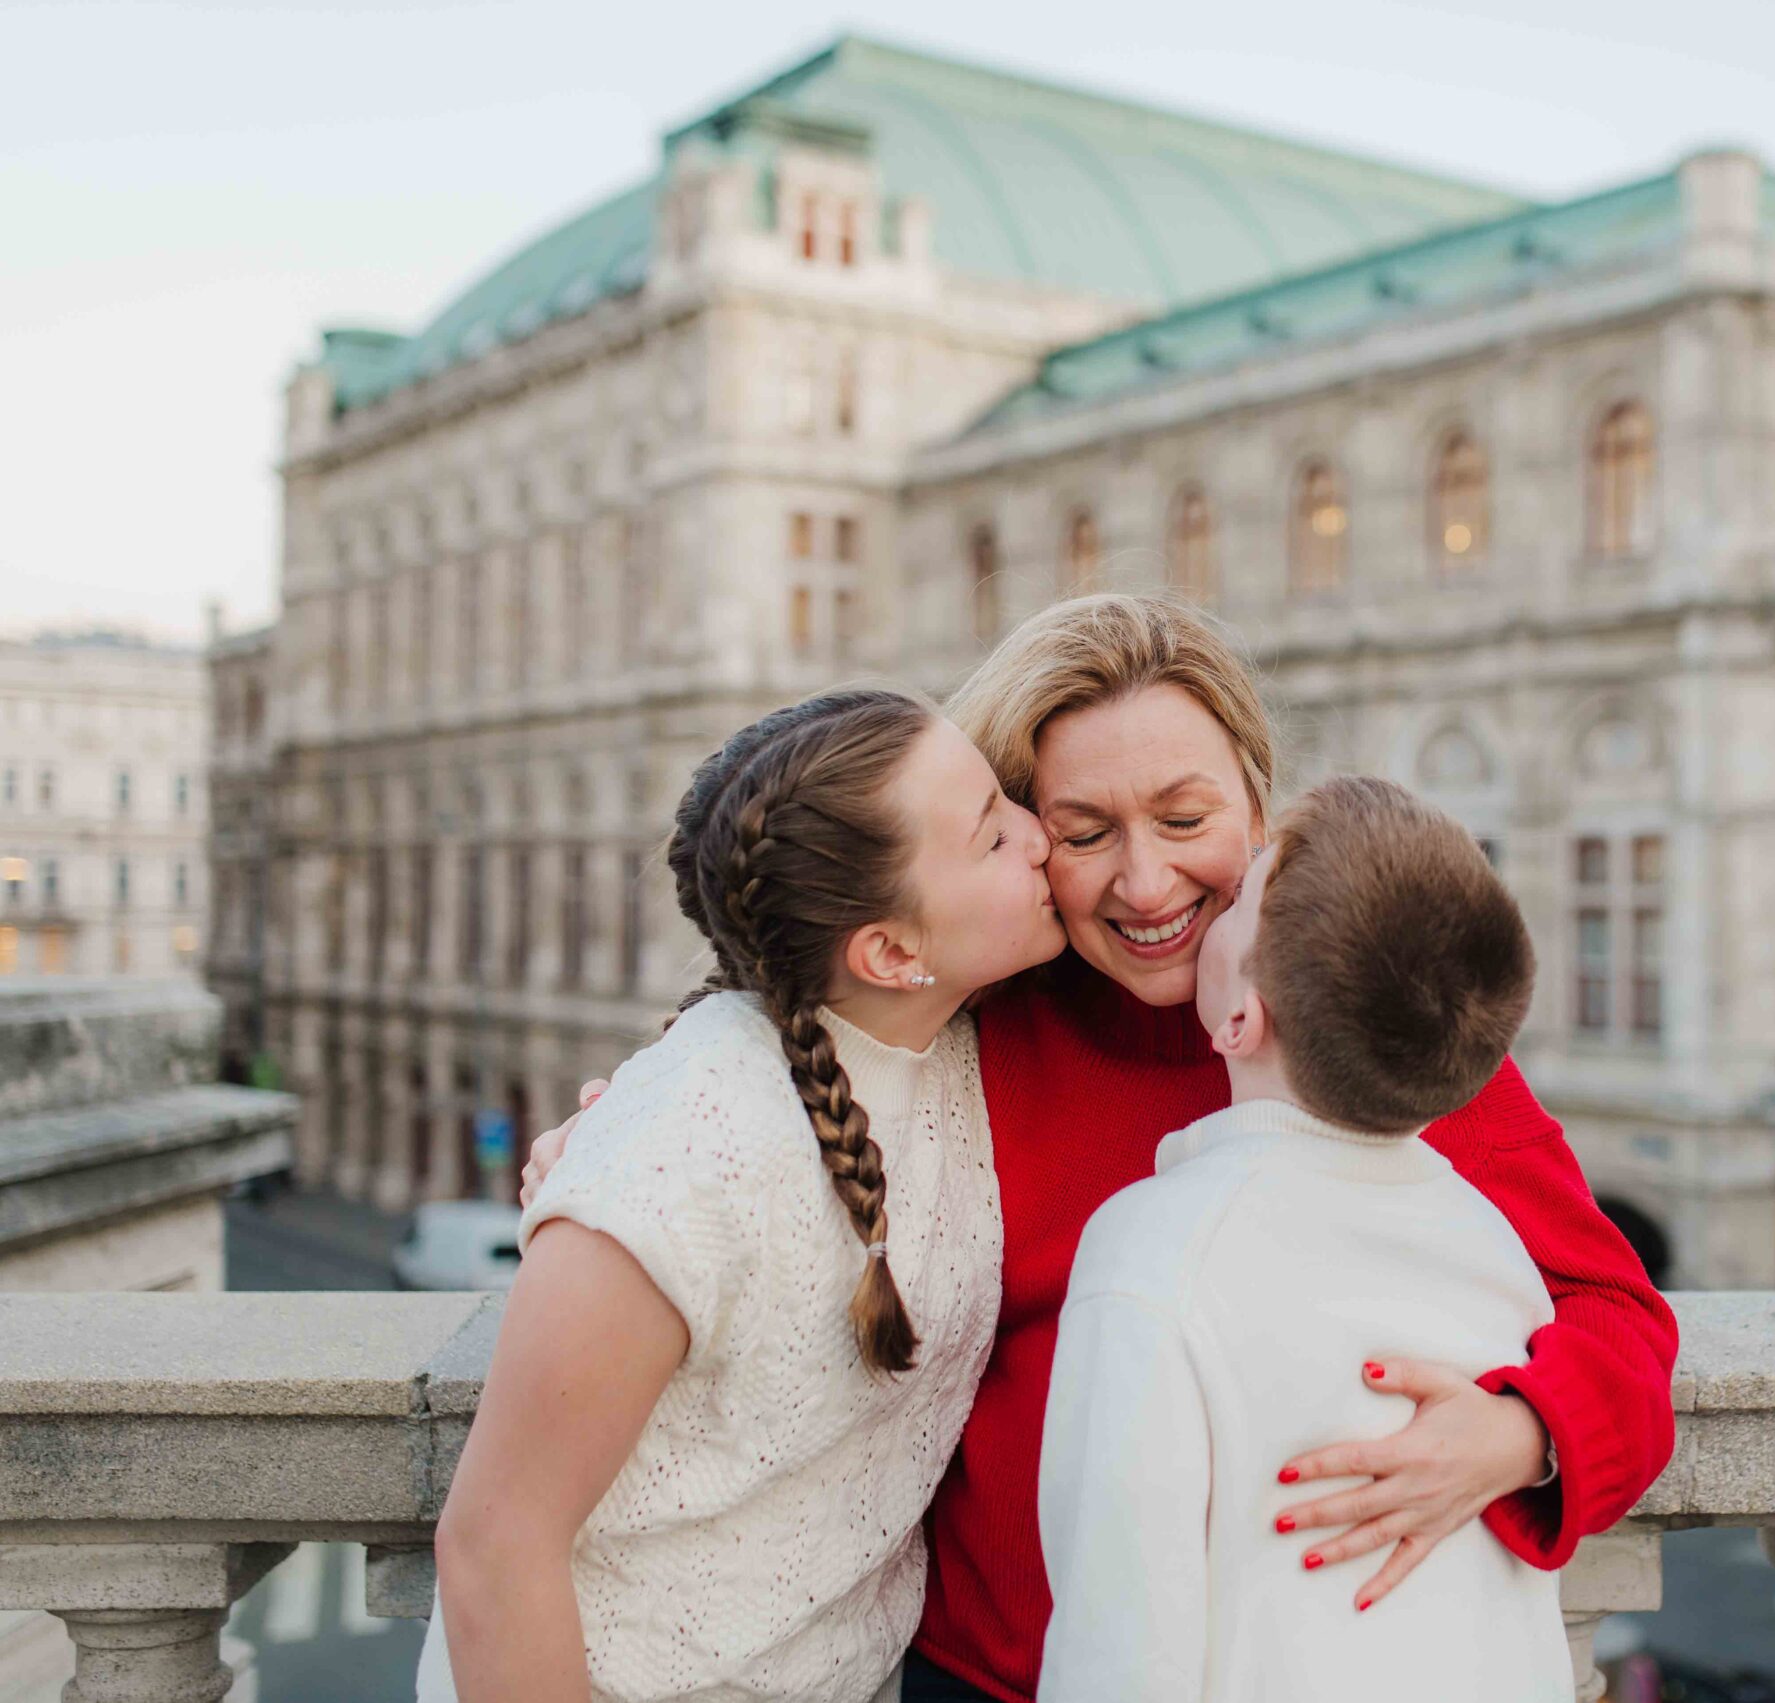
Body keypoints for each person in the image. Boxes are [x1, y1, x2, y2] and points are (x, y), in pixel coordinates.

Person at [525, 594, 1680, 1703]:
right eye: (1085, 833)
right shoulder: (969, 1015)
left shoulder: (1368, 1021)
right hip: (977, 1674)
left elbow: (1618, 1318)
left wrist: (1520, 1433)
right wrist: (606, 1146)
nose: (1145, 881)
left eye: (1186, 820)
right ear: (1023, 837)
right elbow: (772, 1059)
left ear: (1256, 797)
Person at [424, 688, 1062, 1703]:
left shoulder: (939, 1033)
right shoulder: (687, 1146)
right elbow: (495, 1544)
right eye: (992, 834)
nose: (1040, 837)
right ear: (890, 952)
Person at [1039, 776, 1572, 1703]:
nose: (1225, 888)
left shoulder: (1152, 1248)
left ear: (1242, 1019)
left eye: (1244, 896)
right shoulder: (1493, 1240)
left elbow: (1118, 1643)